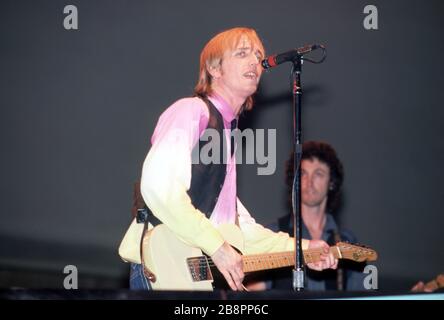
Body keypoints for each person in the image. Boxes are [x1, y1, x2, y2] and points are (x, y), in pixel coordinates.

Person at [128, 27, 338, 291]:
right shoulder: (191, 111)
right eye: (242, 53)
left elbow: (238, 232)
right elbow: (159, 187)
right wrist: (217, 247)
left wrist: (304, 249)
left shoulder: (226, 136)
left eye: (258, 55)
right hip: (163, 267)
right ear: (214, 69)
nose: (255, 61)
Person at [246, 141, 366, 291]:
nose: (309, 182)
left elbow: (359, 293)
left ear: (332, 183)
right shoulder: (274, 234)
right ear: (294, 181)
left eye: (318, 174)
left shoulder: (346, 240)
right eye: (303, 173)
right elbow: (251, 293)